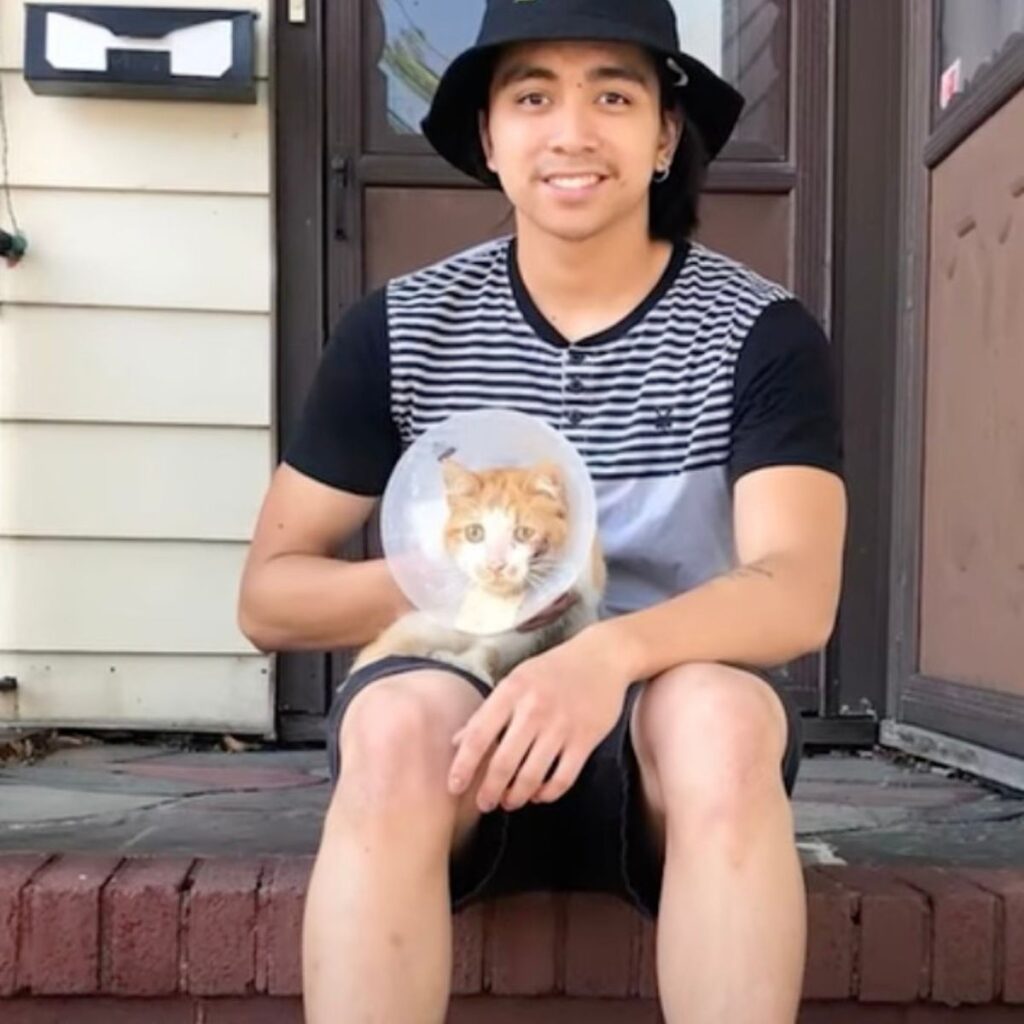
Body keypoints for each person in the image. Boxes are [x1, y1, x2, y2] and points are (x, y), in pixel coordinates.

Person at [238, 0, 847, 1020]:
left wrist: (599, 655)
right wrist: (461, 590)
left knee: (724, 720)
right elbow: (271, 595)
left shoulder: (759, 330)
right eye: (531, 96)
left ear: (662, 134)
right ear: (489, 134)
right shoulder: (400, 327)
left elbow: (795, 592)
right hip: (457, 737)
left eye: (612, 94)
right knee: (391, 720)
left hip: (666, 743)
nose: (571, 131)